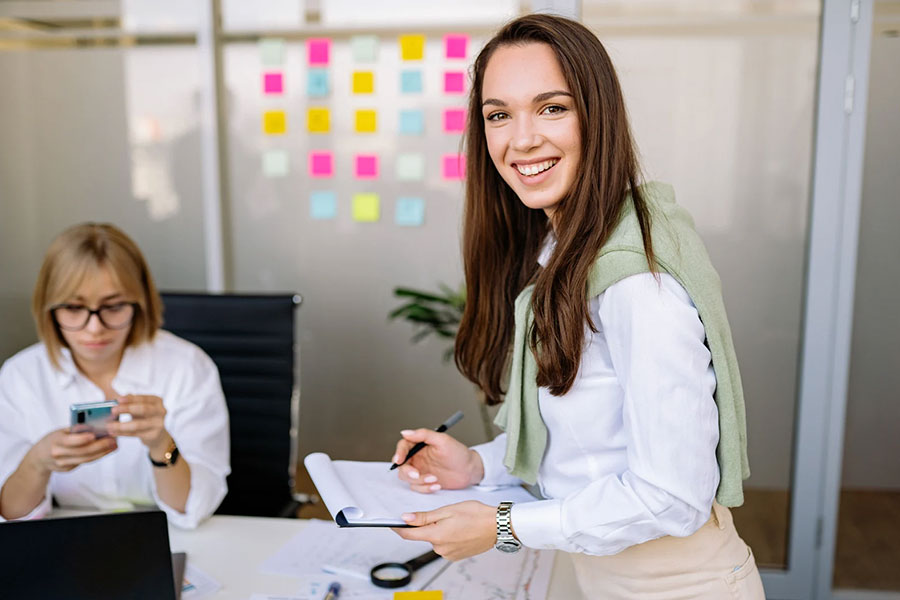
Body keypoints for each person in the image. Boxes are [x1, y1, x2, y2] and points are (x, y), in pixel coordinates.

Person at [390, 14, 765, 599]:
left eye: (551, 107)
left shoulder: (636, 283)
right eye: (498, 115)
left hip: (675, 585)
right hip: (590, 571)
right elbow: (587, 445)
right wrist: (479, 467)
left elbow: (671, 494)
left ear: (598, 115)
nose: (522, 139)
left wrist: (503, 527)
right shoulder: (562, 253)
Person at [0, 223, 229, 529]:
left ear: (140, 303)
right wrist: (36, 463)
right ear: (48, 308)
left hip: (166, 534)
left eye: (114, 306)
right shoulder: (21, 376)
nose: (94, 328)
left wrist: (161, 444)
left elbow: (192, 509)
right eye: (73, 307)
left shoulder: (187, 366)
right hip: (66, 540)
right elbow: (12, 516)